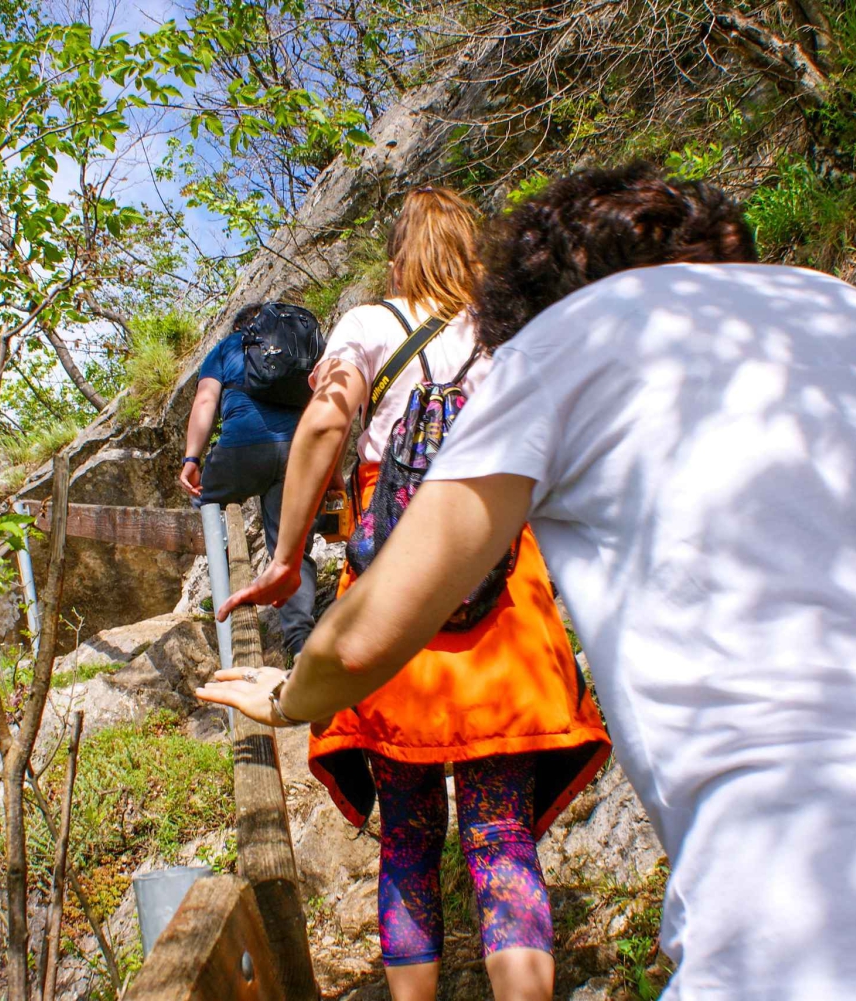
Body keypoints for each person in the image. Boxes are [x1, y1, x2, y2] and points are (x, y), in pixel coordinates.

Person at [199, 165, 856, 1001]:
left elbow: (360, 629)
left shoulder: (560, 343)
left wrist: (287, 693)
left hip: (804, 914)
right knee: (502, 836)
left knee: (409, 840)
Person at [215, 187, 611, 1001]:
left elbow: (326, 421)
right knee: (501, 839)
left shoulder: (368, 324)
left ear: (399, 254)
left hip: (393, 613)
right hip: (503, 604)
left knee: (408, 840)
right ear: (472, 251)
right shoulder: (510, 332)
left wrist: (289, 554)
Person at [180, 303, 317, 655]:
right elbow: (320, 407)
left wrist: (192, 459)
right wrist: (328, 474)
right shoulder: (295, 351)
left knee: (206, 499)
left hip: (242, 448)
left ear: (241, 328)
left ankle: (221, 592)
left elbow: (205, 400)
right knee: (291, 543)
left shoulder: (228, 347)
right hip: (298, 451)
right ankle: (300, 642)